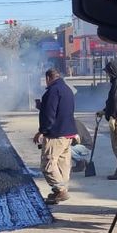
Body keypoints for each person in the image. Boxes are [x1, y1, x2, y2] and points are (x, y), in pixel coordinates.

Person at [34, 69, 77, 204]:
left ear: (48, 78)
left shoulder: (52, 91)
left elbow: (50, 114)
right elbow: (60, 110)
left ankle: (60, 190)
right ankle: (60, 190)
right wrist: (43, 106)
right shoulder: (67, 90)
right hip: (68, 133)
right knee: (63, 164)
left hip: (55, 135)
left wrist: (42, 131)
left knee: (48, 163)